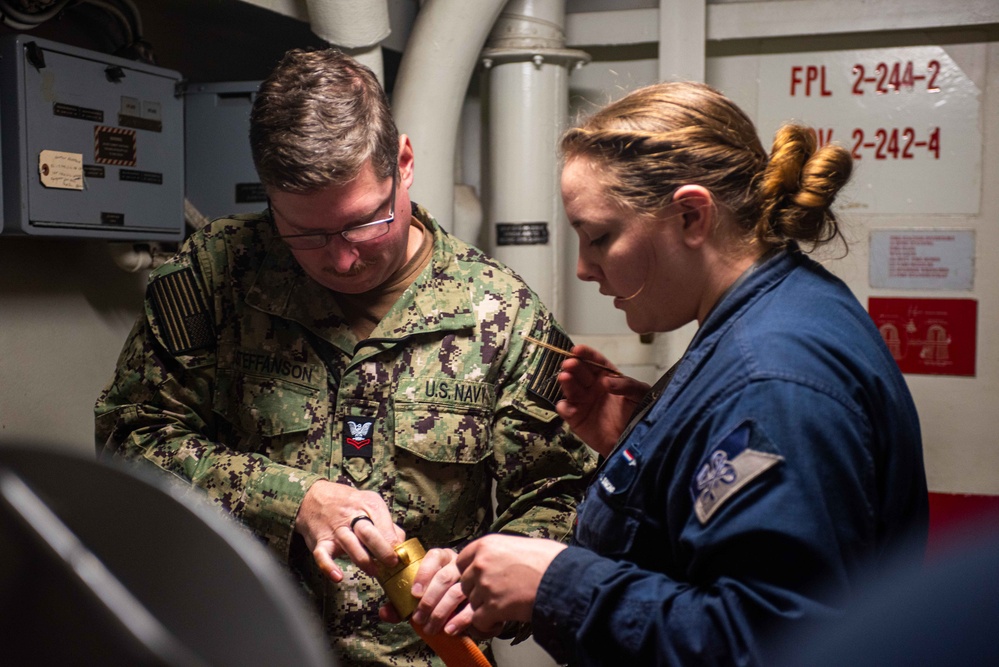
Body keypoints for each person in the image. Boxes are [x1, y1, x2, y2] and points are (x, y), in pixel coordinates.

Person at [94, 47, 594, 666]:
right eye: (304, 233)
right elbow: (128, 440)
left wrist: (483, 574)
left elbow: (562, 492)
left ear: (404, 164)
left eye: (364, 223)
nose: (341, 259)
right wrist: (289, 498)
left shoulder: (501, 313)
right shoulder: (214, 277)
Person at [448, 81, 929, 666]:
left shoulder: (773, 380)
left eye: (599, 237)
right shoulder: (775, 308)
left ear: (691, 215)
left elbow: (768, 642)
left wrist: (555, 582)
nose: (583, 268)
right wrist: (646, 442)